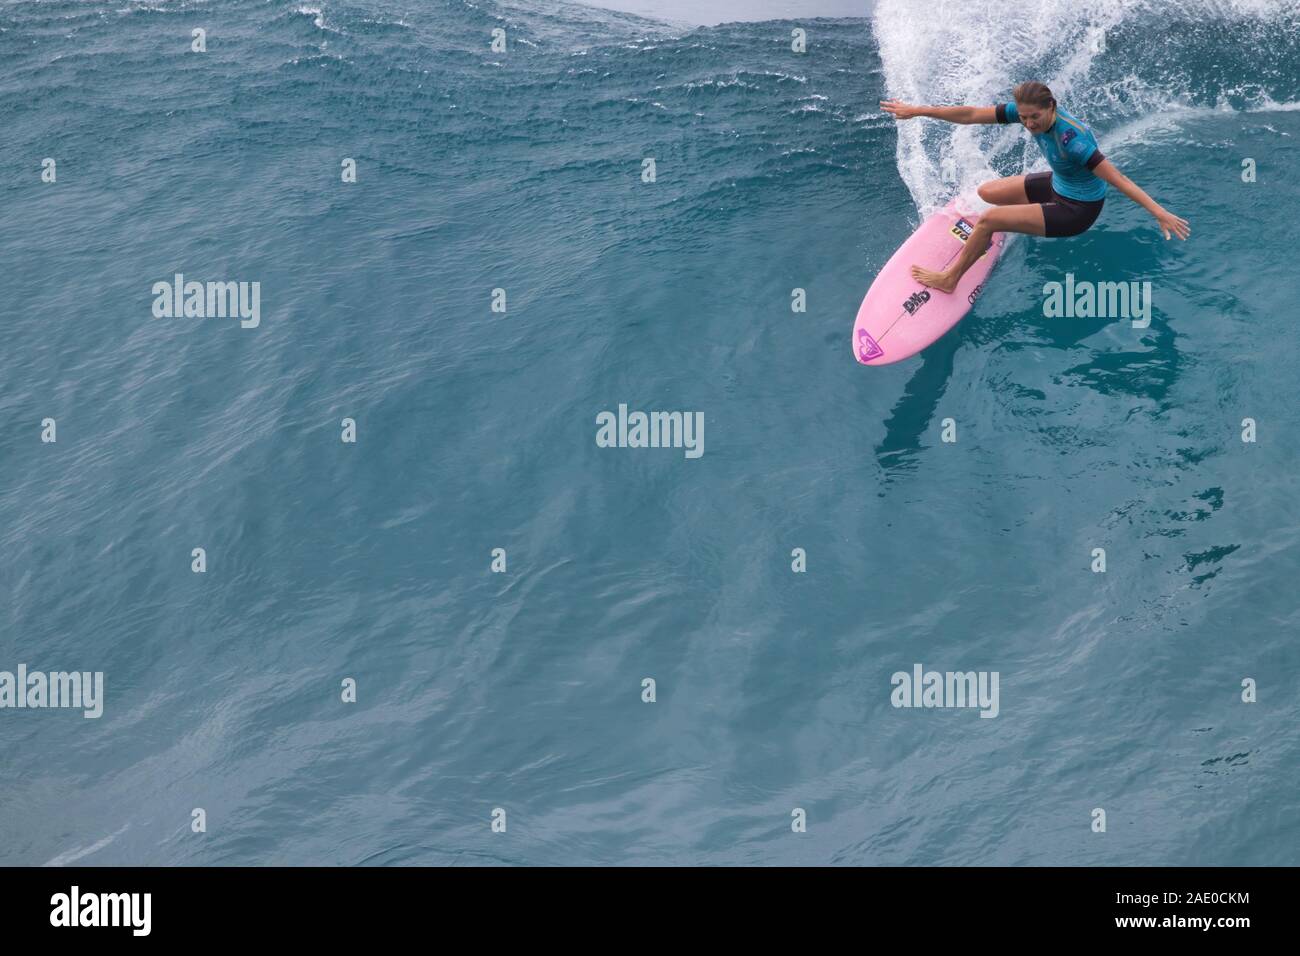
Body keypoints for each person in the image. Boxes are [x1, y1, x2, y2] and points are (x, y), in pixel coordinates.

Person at [879, 82, 1190, 293]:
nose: (1028, 124)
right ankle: (991, 234)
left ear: (1051, 107)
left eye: (1035, 117)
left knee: (988, 218)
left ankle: (950, 278)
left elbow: (1118, 179)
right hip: (1058, 185)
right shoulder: (1024, 112)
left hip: (1077, 210)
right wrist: (919, 110)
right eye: (1024, 117)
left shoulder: (1073, 141)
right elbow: (972, 114)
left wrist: (1159, 213)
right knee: (987, 193)